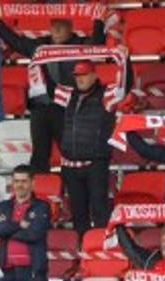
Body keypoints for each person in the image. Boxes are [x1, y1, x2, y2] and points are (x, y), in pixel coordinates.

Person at [0, 13, 106, 172]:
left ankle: (71, 192)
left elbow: (97, 45)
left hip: (66, 107)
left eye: (60, 26)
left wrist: (99, 21)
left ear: (70, 27)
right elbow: (16, 42)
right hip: (40, 108)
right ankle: (40, 192)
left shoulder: (79, 44)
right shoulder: (40, 45)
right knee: (39, 156)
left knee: (70, 153)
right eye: (53, 26)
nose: (56, 30)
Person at [57, 61, 114, 235]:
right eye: (77, 76)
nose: (80, 79)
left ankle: (102, 249)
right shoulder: (69, 95)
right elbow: (46, 85)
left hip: (95, 163)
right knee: (78, 212)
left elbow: (125, 84)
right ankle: (84, 250)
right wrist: (37, 58)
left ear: (94, 75)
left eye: (84, 75)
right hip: (71, 164)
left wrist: (123, 58)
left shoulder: (107, 94)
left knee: (99, 210)